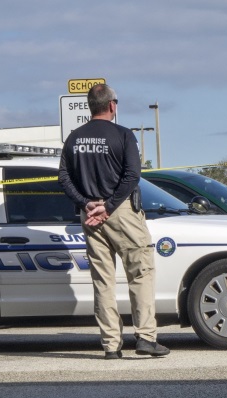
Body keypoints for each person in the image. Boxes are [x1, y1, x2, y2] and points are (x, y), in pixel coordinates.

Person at [59, 83, 169, 359]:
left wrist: (86, 204)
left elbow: (63, 177)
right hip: (120, 212)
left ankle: (110, 345)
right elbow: (132, 176)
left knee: (102, 280)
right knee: (140, 274)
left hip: (90, 214)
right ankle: (145, 337)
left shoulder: (74, 138)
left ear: (90, 106)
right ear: (111, 106)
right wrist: (108, 206)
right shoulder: (123, 135)